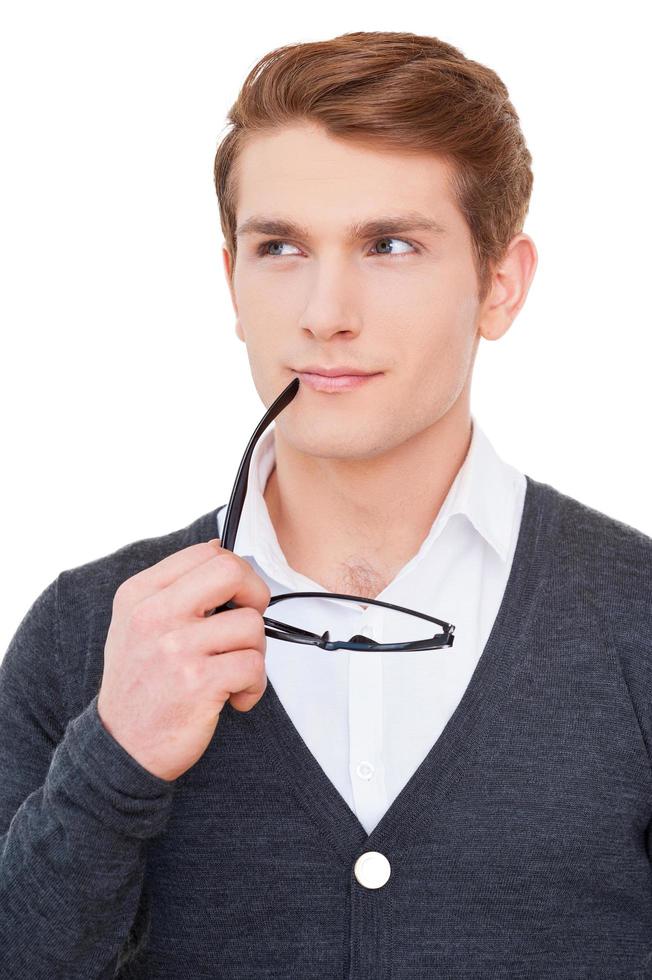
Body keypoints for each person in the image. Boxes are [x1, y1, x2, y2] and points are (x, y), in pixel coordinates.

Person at [1, 29, 651, 980]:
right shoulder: (85, 629)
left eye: (390, 245)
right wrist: (112, 766)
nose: (324, 310)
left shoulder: (637, 619)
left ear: (500, 286)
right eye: (280, 247)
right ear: (232, 282)